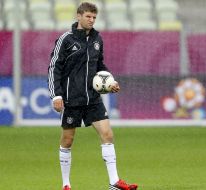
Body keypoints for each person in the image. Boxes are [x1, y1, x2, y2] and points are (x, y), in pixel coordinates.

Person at [47, 2, 138, 190]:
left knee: (107, 134)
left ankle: (114, 182)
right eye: (88, 16)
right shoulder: (66, 39)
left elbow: (100, 66)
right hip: (72, 99)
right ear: (78, 16)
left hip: (93, 98)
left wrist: (110, 81)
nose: (91, 20)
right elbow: (54, 68)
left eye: (94, 17)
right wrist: (56, 95)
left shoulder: (97, 39)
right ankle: (66, 184)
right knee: (67, 140)